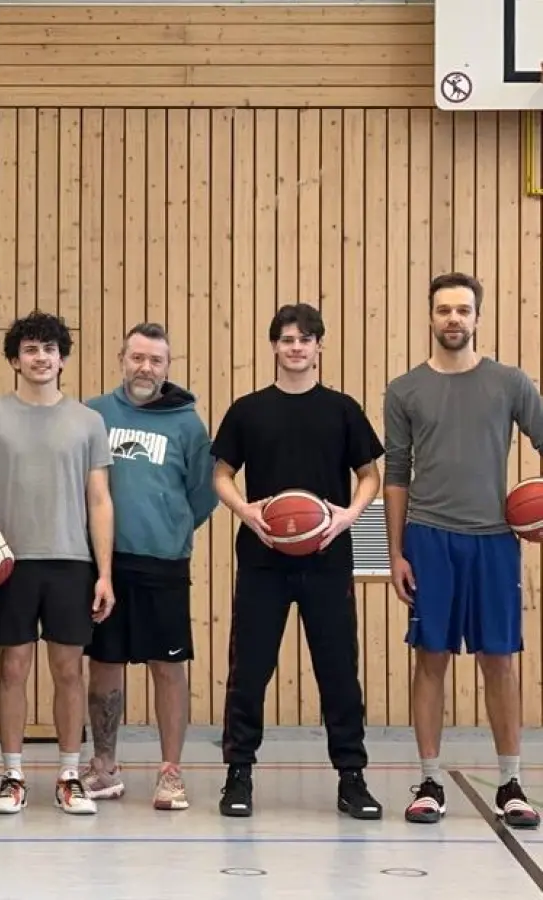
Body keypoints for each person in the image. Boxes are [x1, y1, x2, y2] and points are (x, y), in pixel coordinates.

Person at [211, 302, 383, 820]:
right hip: (263, 560)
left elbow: (371, 476)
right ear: (274, 347)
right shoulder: (247, 409)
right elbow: (221, 474)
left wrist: (348, 515)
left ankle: (351, 777)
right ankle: (238, 774)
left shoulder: (343, 409)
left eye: (305, 339)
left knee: (338, 671)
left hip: (328, 559)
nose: (296, 347)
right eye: (286, 339)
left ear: (319, 346)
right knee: (250, 670)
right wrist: (246, 509)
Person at [386, 272, 543, 828]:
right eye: (444, 310)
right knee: (431, 658)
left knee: (498, 660)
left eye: (462, 310)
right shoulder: (404, 390)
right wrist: (396, 552)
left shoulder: (510, 383)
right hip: (429, 539)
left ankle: (511, 782)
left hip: (494, 542)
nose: (453, 318)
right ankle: (429, 779)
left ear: (478, 318)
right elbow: (396, 475)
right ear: (430, 318)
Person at [0, 310, 114, 817]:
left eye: (50, 349)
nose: (41, 358)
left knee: (68, 670)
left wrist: (104, 572)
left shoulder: (88, 421)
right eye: (31, 350)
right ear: (15, 359)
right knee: (12, 668)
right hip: (9, 565)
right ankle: (13, 774)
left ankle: (68, 775)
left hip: (71, 563)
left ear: (62, 358)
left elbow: (100, 500)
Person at [80, 323, 217, 811]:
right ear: (122, 358)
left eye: (156, 360)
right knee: (105, 664)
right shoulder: (94, 414)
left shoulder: (187, 423)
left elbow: (203, 493)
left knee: (168, 667)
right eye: (138, 357)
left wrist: (171, 525)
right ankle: (103, 766)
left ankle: (170, 772)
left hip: (163, 563)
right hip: (106, 563)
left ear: (167, 367)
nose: (145, 367)